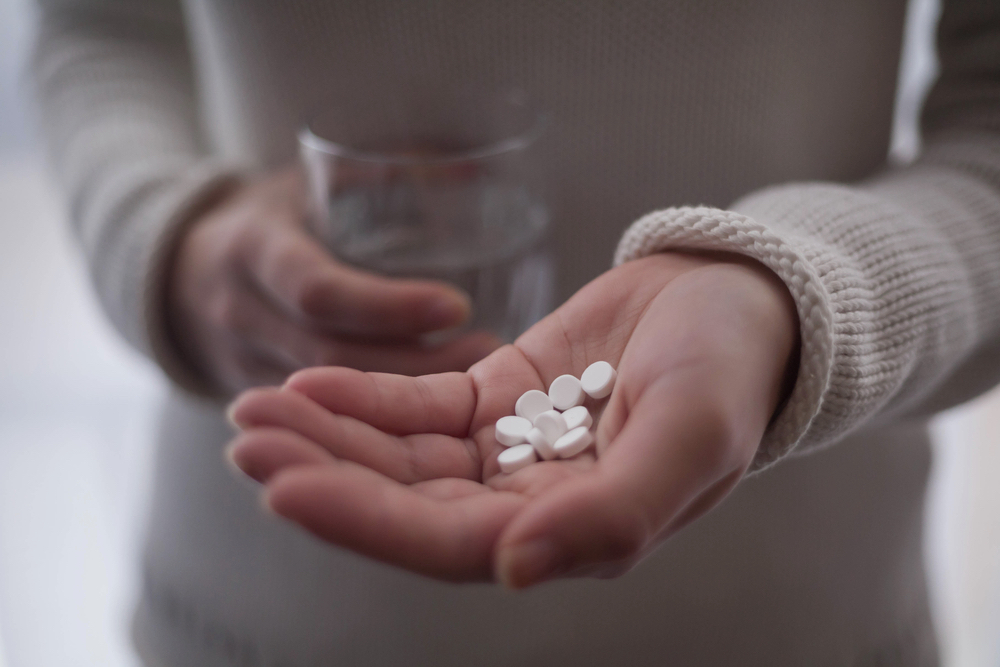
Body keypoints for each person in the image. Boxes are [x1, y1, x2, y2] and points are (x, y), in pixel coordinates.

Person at [31, 0, 1000, 664]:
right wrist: (171, 235)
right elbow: (99, 27)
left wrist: (793, 294)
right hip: (264, 597)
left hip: (794, 616)